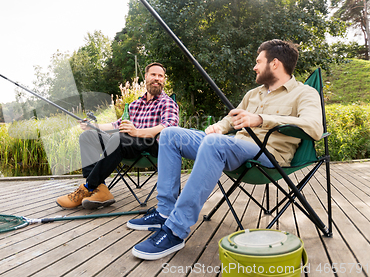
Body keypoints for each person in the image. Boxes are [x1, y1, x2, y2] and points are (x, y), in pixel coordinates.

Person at [126, 39, 324, 260]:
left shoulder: (304, 93)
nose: (254, 67)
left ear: (275, 63)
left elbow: (315, 127)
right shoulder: (253, 94)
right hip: (233, 147)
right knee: (171, 134)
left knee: (214, 144)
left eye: (259, 61)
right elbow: (230, 120)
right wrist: (219, 127)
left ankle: (175, 230)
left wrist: (260, 119)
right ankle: (164, 211)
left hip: (268, 155)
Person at [56, 62, 179, 210]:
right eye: (153, 74)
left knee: (119, 138)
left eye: (161, 76)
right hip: (127, 145)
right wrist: (93, 126)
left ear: (164, 80)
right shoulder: (135, 105)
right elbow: (116, 125)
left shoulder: (167, 103)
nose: (157, 78)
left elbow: (169, 127)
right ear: (146, 77)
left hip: (153, 146)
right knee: (88, 136)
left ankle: (88, 187)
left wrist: (136, 132)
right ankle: (101, 190)